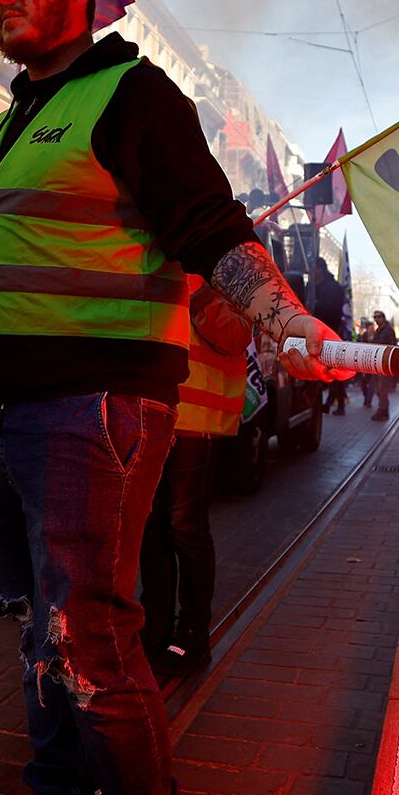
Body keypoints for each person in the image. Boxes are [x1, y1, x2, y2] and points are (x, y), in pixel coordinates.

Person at [0, 0, 347, 795]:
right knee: (42, 632)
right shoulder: (1, 126)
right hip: (4, 412)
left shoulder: (133, 95)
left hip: (96, 408)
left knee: (93, 631)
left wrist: (282, 316)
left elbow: (209, 226)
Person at [141, 278, 247, 678]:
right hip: (147, 411)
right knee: (151, 528)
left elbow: (237, 336)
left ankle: (191, 634)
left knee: (184, 527)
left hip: (195, 421)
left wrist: (200, 295)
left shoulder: (225, 271)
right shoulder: (158, 257)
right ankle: (154, 627)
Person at [307, 258, 348, 416]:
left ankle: (337, 403)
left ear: (319, 270)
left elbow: (330, 310)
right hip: (314, 334)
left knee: (334, 372)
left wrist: (314, 305)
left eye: (313, 268)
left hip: (331, 336)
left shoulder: (333, 288)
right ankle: (328, 403)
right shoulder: (311, 286)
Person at [365, 310, 395, 421]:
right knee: (379, 389)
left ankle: (383, 411)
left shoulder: (388, 331)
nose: (376, 319)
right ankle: (382, 410)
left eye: (378, 317)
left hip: (385, 364)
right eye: (375, 317)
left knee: (382, 390)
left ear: (383, 318)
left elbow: (391, 347)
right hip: (377, 364)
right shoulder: (378, 331)